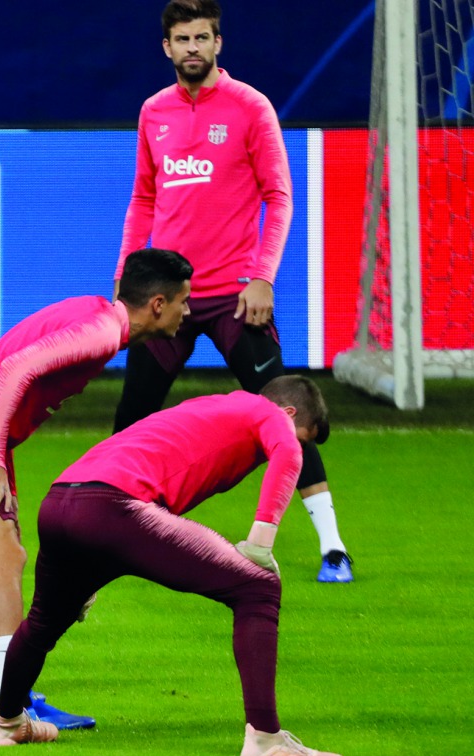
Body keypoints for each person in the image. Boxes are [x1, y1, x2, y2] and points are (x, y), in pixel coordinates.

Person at [0, 375, 346, 756]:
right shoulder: (269, 412)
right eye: (301, 436)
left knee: (42, 623)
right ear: (289, 412)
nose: (297, 446)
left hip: (61, 501)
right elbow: (289, 455)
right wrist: (261, 543)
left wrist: (89, 573)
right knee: (258, 586)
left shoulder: (211, 404)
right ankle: (264, 741)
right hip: (115, 506)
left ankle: (6, 723)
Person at [0, 248, 193, 729]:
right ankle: (15, 700)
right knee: (6, 557)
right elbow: (16, 370)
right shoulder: (101, 331)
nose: (188, 312)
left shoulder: (97, 316)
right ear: (158, 304)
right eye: (184, 301)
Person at [112, 0, 353, 583]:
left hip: (235, 295)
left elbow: (280, 195)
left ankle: (333, 546)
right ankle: (113, 533)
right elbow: (144, 198)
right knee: (131, 418)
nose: (192, 48)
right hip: (167, 296)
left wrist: (263, 276)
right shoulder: (154, 112)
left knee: (282, 411)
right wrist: (127, 280)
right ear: (165, 48)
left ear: (219, 43)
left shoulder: (250, 107)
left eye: (202, 38)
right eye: (181, 39)